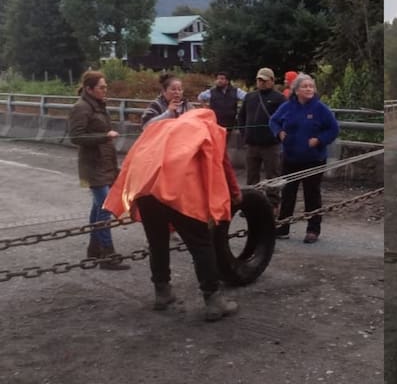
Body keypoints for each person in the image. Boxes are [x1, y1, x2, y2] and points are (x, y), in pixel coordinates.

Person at [104, 108, 241, 321]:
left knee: (157, 242)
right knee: (201, 245)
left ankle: (162, 292)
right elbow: (222, 164)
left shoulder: (162, 128)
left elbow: (134, 157)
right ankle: (213, 300)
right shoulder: (209, 129)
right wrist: (235, 193)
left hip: (146, 190)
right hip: (178, 193)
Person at [68, 70, 130, 270]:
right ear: (89, 89)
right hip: (92, 167)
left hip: (104, 164)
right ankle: (107, 253)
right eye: (101, 87)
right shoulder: (82, 107)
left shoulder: (97, 105)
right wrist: (104, 136)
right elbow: (75, 137)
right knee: (105, 208)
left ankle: (94, 249)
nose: (105, 90)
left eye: (105, 87)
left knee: (98, 208)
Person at [270, 73, 339, 244]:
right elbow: (273, 121)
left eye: (311, 86)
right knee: (288, 194)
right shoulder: (287, 107)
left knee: (312, 195)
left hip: (313, 159)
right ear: (296, 90)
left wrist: (320, 140)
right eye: (305, 86)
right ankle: (283, 227)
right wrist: (279, 132)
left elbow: (334, 129)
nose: (309, 89)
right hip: (290, 157)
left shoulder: (320, 108)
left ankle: (313, 230)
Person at [237, 67, 286, 212]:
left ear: (272, 81)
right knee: (251, 177)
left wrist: (277, 134)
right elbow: (241, 116)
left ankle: (273, 205)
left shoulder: (279, 98)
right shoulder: (250, 96)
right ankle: (251, 205)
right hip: (252, 144)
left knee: (273, 175)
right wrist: (244, 133)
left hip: (271, 145)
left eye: (264, 80)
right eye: (259, 80)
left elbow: (284, 119)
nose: (261, 83)